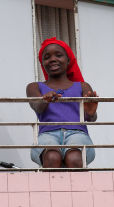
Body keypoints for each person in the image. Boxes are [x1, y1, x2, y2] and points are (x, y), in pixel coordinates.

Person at [26, 37, 99, 168]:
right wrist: (45, 100)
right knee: (52, 156)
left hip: (78, 133)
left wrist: (90, 113)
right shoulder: (34, 87)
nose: (53, 59)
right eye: (47, 57)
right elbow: (37, 106)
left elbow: (91, 118)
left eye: (58, 55)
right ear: (42, 64)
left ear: (69, 60)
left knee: (75, 157)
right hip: (47, 135)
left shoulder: (83, 86)